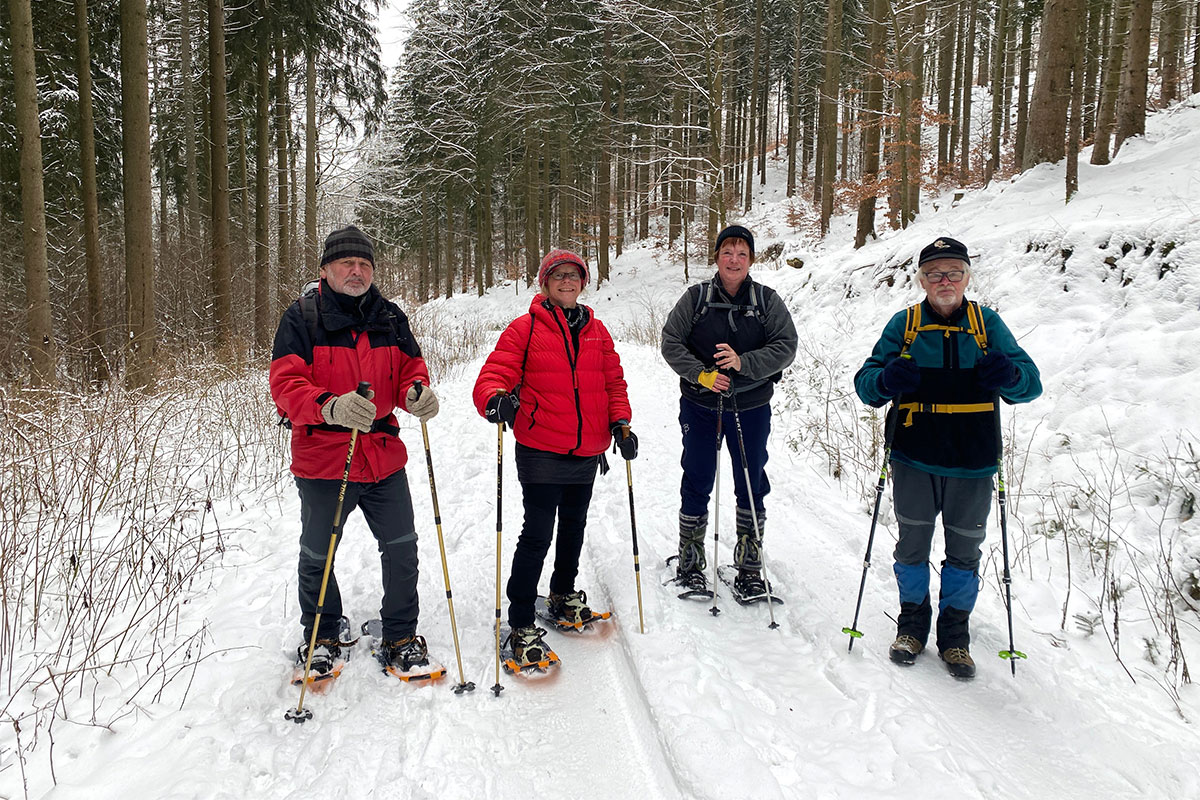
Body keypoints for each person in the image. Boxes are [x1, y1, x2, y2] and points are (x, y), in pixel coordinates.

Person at [854, 236, 1041, 679]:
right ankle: (912, 626)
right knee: (912, 547)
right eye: (935, 273)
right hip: (914, 459)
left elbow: (1030, 385)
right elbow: (866, 383)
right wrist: (886, 380)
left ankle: (955, 637)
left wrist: (1009, 375)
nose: (945, 280)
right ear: (921, 280)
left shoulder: (986, 324)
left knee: (964, 554)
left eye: (954, 272)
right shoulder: (906, 325)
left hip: (973, 464)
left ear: (967, 278)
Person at [270, 224, 441, 676]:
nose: (357, 271)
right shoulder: (302, 318)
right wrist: (329, 406)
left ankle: (401, 633)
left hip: (383, 456)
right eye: (347, 263)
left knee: (403, 547)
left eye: (365, 264)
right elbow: (285, 384)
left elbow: (410, 368)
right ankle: (323, 632)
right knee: (318, 553)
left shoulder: (390, 316)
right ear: (325, 269)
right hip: (324, 459)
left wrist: (415, 393)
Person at [472, 249, 635, 668]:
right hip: (541, 448)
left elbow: (613, 381)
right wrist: (494, 400)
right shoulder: (524, 329)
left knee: (574, 529)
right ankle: (521, 619)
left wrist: (621, 423)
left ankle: (563, 594)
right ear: (544, 284)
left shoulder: (596, 330)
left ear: (583, 283)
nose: (567, 281)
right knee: (538, 533)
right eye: (558, 276)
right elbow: (494, 374)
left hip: (586, 450)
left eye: (574, 275)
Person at [660, 225, 798, 600]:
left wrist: (744, 363)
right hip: (701, 404)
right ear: (717, 257)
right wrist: (701, 375)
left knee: (751, 479)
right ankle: (690, 559)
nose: (734, 260)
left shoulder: (767, 301)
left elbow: (786, 346)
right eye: (727, 252)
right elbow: (670, 342)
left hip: (751, 405)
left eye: (741, 253)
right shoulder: (696, 298)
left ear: (751, 259)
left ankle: (750, 565)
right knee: (698, 475)